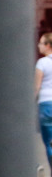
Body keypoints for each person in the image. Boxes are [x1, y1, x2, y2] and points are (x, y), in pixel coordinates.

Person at [36, 33, 52, 169]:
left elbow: (37, 86)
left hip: (46, 104)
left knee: (49, 142)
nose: (38, 46)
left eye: (41, 43)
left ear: (48, 46)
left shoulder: (42, 63)